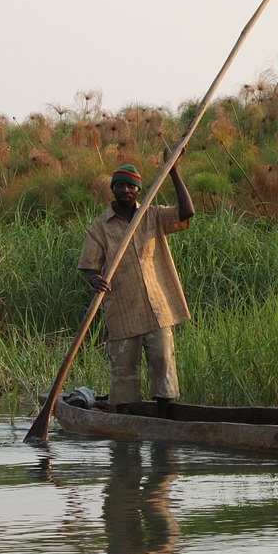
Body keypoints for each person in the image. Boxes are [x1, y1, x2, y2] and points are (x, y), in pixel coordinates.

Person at [79, 159, 194, 418]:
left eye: (130, 187)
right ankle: (123, 427)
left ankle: (163, 421)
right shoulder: (100, 226)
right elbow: (89, 265)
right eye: (120, 186)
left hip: (157, 309)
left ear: (138, 191)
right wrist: (95, 279)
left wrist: (174, 171)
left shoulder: (152, 216)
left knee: (164, 369)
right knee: (123, 377)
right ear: (112, 189)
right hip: (122, 311)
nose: (125, 191)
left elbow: (187, 212)